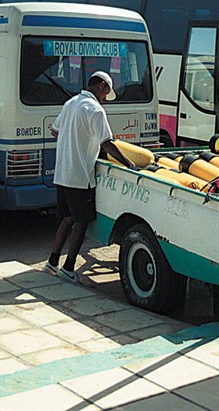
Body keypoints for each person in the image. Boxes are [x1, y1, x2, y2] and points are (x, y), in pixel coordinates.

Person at [43, 71, 137, 282]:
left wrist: (75, 136)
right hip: (80, 175)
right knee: (81, 221)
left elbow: (56, 131)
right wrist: (129, 164)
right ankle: (68, 268)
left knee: (67, 219)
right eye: (106, 93)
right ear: (102, 86)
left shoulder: (71, 103)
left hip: (63, 172)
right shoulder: (95, 109)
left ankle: (52, 262)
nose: (105, 98)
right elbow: (107, 143)